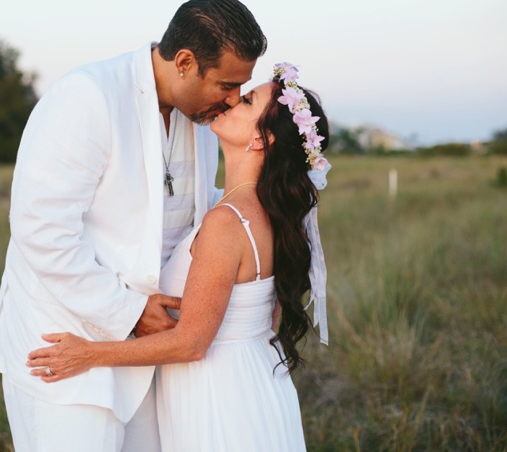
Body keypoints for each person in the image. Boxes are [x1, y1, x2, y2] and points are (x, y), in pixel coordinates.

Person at [0, 0, 267, 452]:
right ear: (185, 61)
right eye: (226, 85)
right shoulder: (87, 97)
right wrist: (128, 312)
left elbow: (187, 209)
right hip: (63, 343)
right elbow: (41, 229)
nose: (233, 100)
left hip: (144, 353)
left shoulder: (201, 117)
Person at [26, 63, 331, 451]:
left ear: (261, 139)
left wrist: (87, 354)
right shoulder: (270, 214)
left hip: (218, 396)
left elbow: (190, 343)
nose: (234, 99)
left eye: (248, 99)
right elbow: (265, 318)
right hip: (255, 382)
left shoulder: (227, 220)